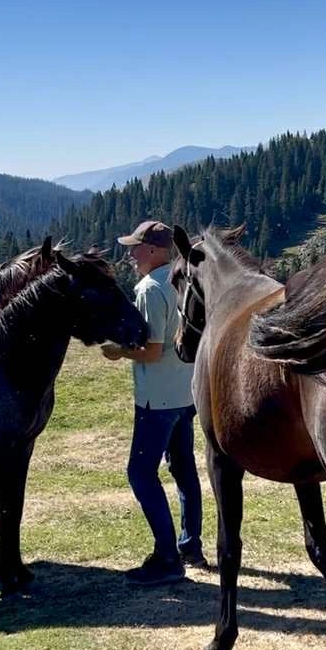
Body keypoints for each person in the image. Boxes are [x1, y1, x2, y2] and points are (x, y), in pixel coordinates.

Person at [101, 219, 206, 586]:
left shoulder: (148, 289)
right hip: (186, 394)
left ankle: (167, 558)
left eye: (135, 248)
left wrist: (118, 352)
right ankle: (191, 545)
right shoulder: (184, 280)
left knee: (140, 473)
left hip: (156, 400)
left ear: (153, 251)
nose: (130, 255)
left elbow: (152, 350)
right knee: (184, 469)